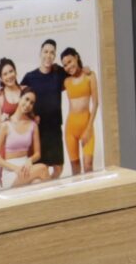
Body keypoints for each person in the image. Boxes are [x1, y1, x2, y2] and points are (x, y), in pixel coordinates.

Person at [24, 39, 67, 178]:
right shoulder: (30, 77)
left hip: (54, 128)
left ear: (55, 56)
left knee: (58, 168)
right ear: (40, 53)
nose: (48, 55)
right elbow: (18, 96)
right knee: (40, 169)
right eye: (46, 51)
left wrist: (86, 69)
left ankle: (51, 190)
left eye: (52, 53)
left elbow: (75, 72)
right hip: (37, 130)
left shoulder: (59, 73)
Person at [62, 48, 98, 177]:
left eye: (70, 61)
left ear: (76, 57)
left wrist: (88, 129)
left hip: (86, 126)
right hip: (70, 129)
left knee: (88, 166)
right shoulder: (66, 81)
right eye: (65, 65)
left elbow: (96, 103)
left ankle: (93, 197)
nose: (68, 66)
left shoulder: (89, 75)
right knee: (75, 170)